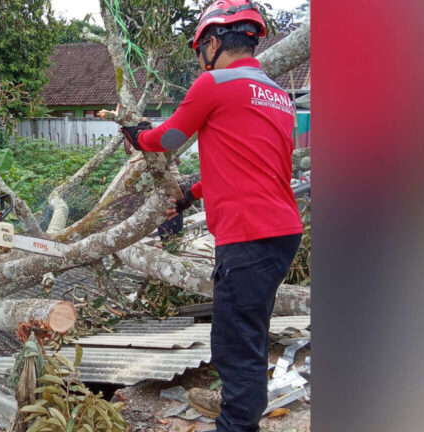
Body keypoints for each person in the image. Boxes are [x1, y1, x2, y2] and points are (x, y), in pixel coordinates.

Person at [121, 1, 303, 431]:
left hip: (248, 235)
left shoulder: (214, 84)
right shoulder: (279, 96)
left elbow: (170, 136)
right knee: (249, 336)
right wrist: (192, 193)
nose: (200, 57)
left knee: (234, 346)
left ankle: (236, 425)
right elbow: (256, 164)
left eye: (200, 47)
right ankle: (243, 416)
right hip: (280, 230)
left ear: (213, 41)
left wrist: (138, 137)